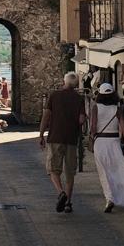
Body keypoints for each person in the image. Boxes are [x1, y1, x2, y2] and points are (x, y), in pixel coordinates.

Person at [39, 72, 86, 213]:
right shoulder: (79, 98)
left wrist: (41, 134)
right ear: (76, 84)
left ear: (63, 81)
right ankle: (68, 203)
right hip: (71, 139)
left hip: (55, 137)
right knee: (70, 172)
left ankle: (61, 193)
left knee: (53, 169)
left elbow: (46, 116)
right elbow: (81, 120)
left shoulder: (54, 95)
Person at [90, 83, 124, 213]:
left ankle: (109, 198)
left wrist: (91, 138)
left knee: (104, 172)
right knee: (119, 171)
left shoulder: (95, 108)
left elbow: (93, 127)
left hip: (100, 142)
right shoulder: (117, 109)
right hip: (114, 141)